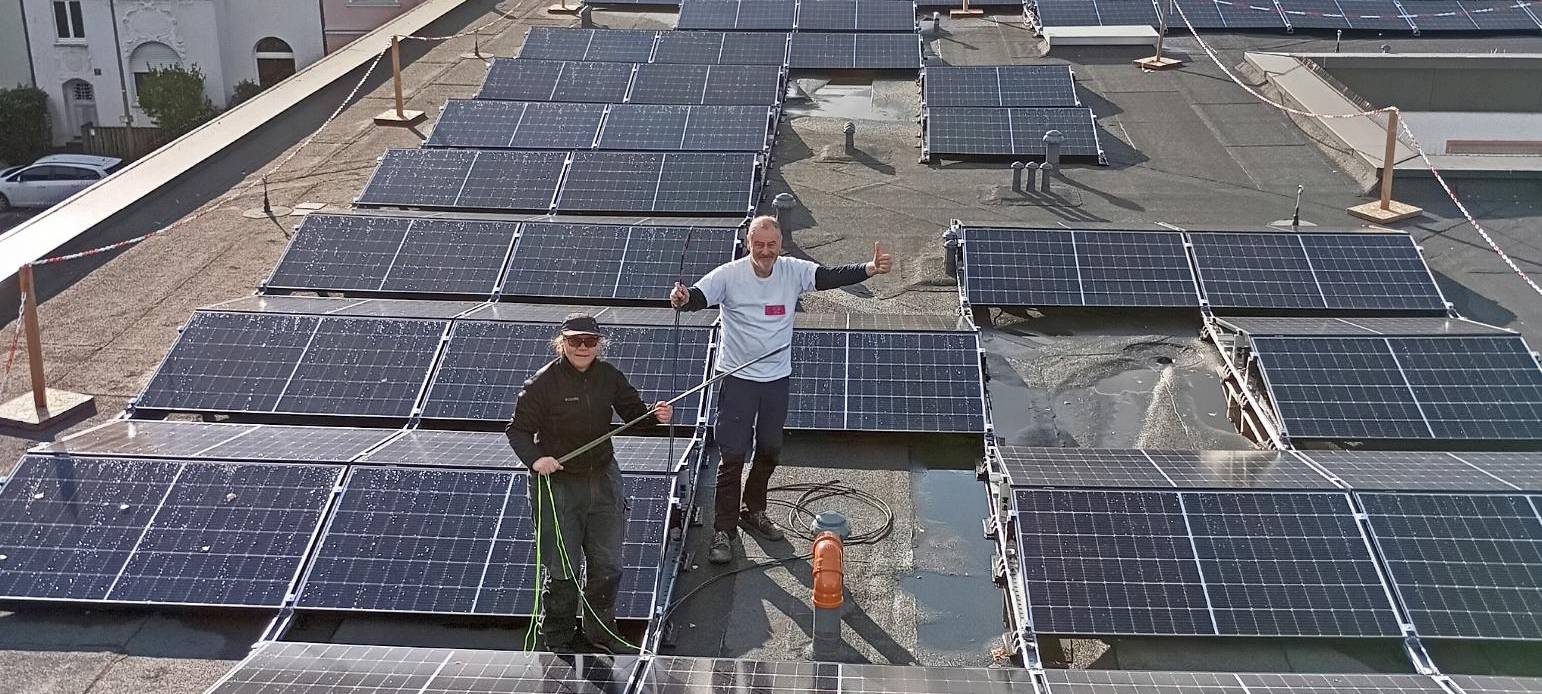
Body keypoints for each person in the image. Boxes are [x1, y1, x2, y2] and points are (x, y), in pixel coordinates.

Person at [670, 215, 892, 564]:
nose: (765, 251)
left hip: (775, 378)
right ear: (749, 245)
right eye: (758, 244)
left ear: (780, 246)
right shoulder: (729, 275)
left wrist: (868, 268)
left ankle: (752, 510)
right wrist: (683, 298)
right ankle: (723, 531)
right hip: (737, 379)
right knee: (732, 456)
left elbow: (828, 276)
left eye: (771, 245)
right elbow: (698, 296)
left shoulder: (792, 271)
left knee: (771, 449)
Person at [505, 313, 674, 653]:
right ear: (562, 342)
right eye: (575, 341)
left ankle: (601, 635)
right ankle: (559, 638)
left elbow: (636, 418)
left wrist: (657, 417)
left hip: (603, 479)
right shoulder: (542, 383)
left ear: (599, 344)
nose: (582, 347)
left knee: (607, 564)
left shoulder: (609, 377)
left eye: (590, 341)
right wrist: (537, 459)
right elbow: (518, 431)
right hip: (558, 485)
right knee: (562, 566)